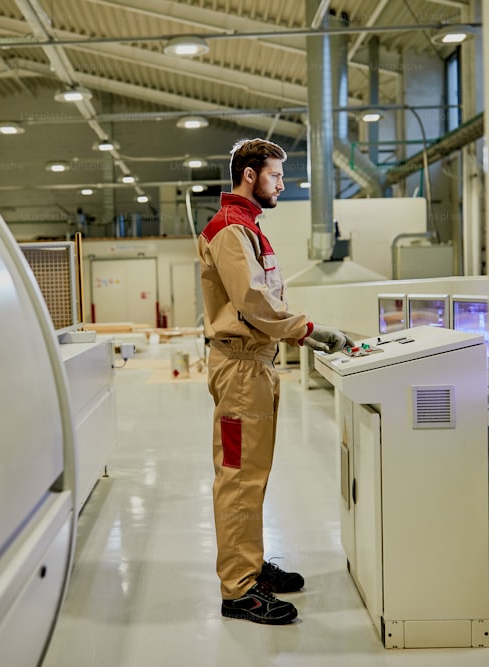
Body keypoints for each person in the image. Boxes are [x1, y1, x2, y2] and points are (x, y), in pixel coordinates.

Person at [198, 138, 350, 625]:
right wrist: (306, 330)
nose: (282, 184)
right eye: (276, 175)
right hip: (241, 369)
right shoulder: (229, 230)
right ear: (249, 175)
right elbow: (252, 301)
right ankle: (238, 589)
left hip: (256, 365)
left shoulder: (247, 228)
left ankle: (250, 564)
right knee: (239, 478)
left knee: (252, 477)